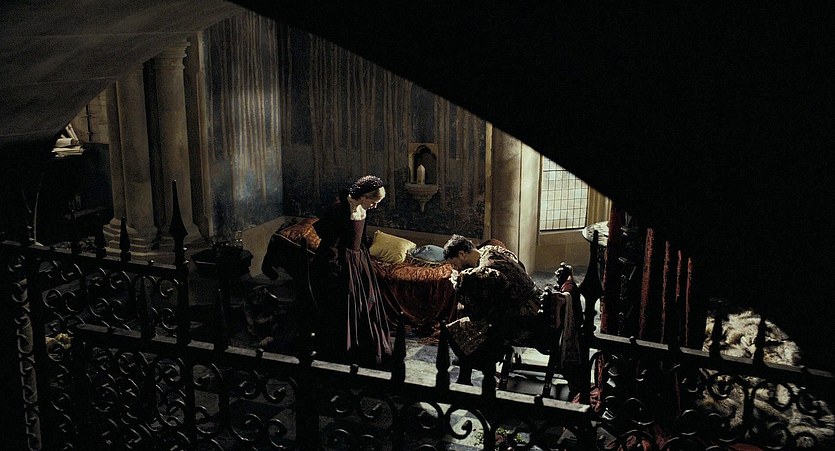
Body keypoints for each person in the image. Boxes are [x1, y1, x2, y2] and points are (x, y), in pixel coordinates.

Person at [309, 175, 395, 368]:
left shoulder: (363, 209)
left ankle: (363, 344)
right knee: (345, 301)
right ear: (364, 196)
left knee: (367, 300)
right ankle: (342, 348)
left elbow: (360, 237)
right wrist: (334, 265)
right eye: (374, 201)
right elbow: (329, 242)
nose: (375, 206)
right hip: (340, 260)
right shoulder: (340, 209)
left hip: (358, 258)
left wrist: (366, 260)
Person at [442, 234, 543, 368]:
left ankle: (482, 362)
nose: (455, 268)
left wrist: (459, 281)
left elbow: (484, 301)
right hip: (535, 305)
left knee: (456, 329)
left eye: (454, 264)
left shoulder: (487, 266)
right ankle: (481, 357)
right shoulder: (489, 250)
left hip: (527, 317)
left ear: (462, 254)